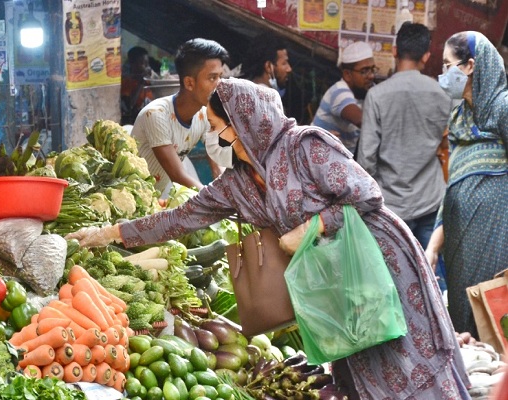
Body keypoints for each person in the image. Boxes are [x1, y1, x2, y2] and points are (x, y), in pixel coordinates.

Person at [67, 78, 469, 399]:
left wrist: (312, 227)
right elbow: (179, 219)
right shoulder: (236, 184)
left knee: (401, 350)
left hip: (373, 257)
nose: (219, 137)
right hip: (329, 277)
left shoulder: (304, 146)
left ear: (246, 121)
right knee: (357, 356)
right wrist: (107, 233)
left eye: (221, 126)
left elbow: (366, 195)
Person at [425, 31, 508, 337]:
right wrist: (434, 247)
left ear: (470, 66)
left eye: (448, 66)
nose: (443, 75)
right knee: (465, 325)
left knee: (492, 323)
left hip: (496, 242)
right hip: (461, 247)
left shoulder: (502, 108)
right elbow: (455, 187)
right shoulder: (459, 117)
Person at [357, 22, 451, 252]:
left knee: (394, 278)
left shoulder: (376, 96)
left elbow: (366, 160)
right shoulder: (442, 94)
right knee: (431, 276)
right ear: (426, 56)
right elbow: (448, 143)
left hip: (392, 205)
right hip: (431, 199)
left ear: (395, 51)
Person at [131, 38, 229, 194]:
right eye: (212, 78)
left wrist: (232, 194)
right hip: (130, 196)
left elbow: (218, 167)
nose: (219, 85)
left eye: (220, 77)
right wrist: (214, 201)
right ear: (189, 83)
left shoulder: (204, 116)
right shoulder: (156, 115)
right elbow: (178, 175)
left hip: (156, 197)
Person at [312, 41, 376, 155]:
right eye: (364, 71)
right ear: (347, 74)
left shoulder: (364, 91)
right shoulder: (339, 92)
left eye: (372, 69)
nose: (371, 76)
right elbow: (364, 122)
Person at [240, 34, 292, 99]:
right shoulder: (269, 101)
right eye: (284, 63)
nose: (289, 69)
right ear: (269, 67)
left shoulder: (243, 94)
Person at [120, 46, 154, 125]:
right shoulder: (127, 82)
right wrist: (140, 83)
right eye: (143, 63)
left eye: (147, 64)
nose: (146, 67)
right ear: (132, 64)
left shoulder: (149, 81)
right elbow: (130, 105)